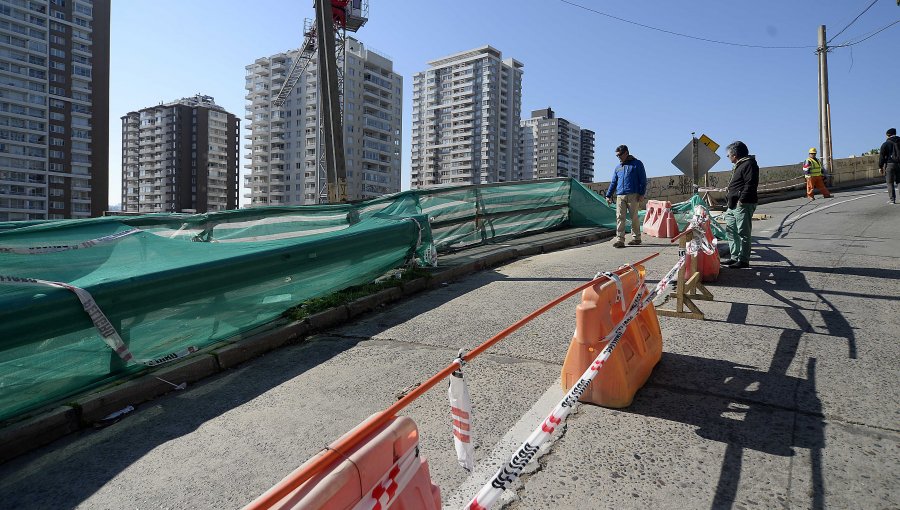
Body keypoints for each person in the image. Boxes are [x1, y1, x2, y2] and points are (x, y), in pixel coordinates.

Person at [721, 141, 759, 269]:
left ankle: (743, 260)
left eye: (728, 155)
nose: (728, 158)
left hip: (743, 204)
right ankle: (734, 257)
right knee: (731, 231)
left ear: (735, 155)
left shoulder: (749, 164)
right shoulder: (739, 165)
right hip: (732, 204)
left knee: (743, 232)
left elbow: (750, 184)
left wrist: (742, 200)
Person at [604, 145, 647, 248]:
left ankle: (636, 238)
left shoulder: (637, 164)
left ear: (626, 153)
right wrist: (608, 195)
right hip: (620, 195)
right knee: (619, 217)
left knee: (634, 217)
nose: (618, 157)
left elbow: (643, 180)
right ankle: (620, 240)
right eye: (617, 155)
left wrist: (641, 194)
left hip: (633, 195)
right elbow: (614, 182)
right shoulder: (618, 168)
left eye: (619, 155)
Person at [879, 128, 900, 205]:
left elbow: (881, 156)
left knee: (890, 182)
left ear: (888, 135)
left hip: (890, 165)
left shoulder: (885, 144)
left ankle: (892, 200)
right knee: (899, 181)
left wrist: (880, 167)